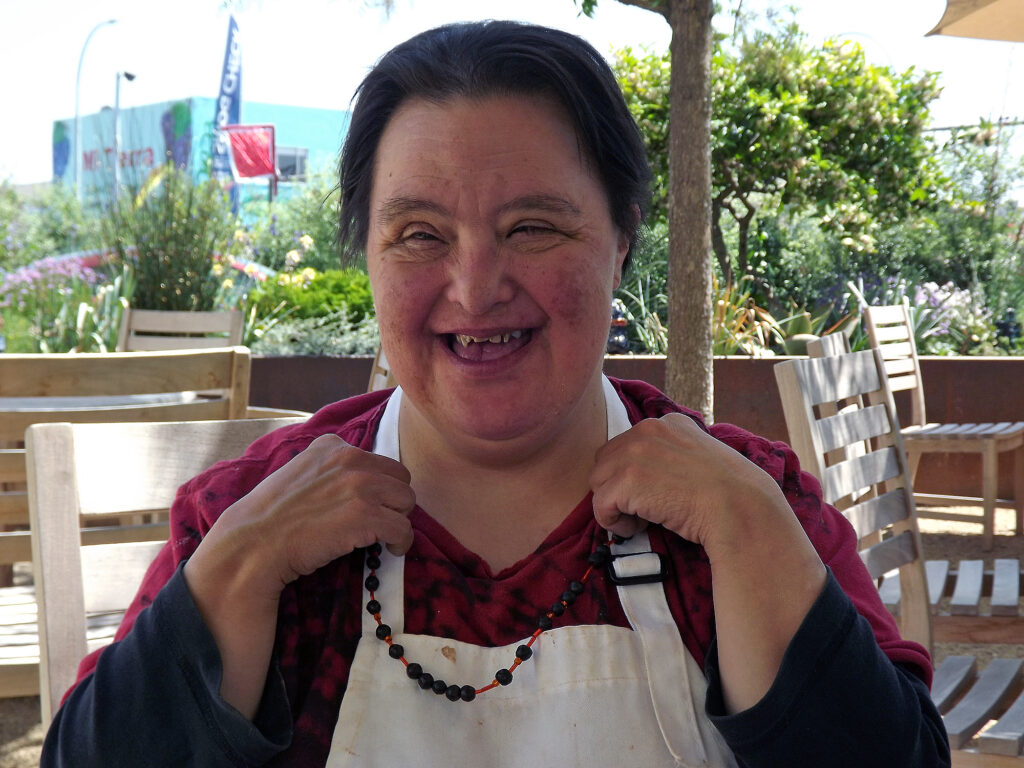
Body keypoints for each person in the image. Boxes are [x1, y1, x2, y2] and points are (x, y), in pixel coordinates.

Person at [41, 20, 950, 767]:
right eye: (419, 234)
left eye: (533, 227)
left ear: (622, 239)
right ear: (367, 255)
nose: (475, 289)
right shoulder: (252, 517)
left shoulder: (746, 510)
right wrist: (240, 567)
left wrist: (752, 533)